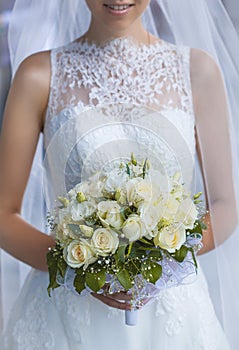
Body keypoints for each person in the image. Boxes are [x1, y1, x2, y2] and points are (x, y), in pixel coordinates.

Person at [0, 0, 239, 349]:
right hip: (65, 318)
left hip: (173, 314)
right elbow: (4, 214)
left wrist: (160, 261)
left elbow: (225, 204)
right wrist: (75, 269)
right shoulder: (38, 74)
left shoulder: (197, 70)